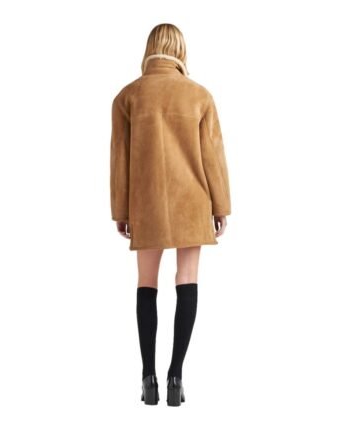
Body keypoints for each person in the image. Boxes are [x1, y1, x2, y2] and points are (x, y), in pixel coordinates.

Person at [109, 23, 232, 406]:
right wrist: (221, 205)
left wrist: (120, 210)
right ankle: (176, 376)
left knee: (147, 283)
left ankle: (148, 378)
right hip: (192, 202)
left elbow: (120, 160)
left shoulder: (128, 96)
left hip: (145, 203)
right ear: (180, 50)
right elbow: (213, 157)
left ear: (150, 49)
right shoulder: (199, 96)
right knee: (187, 279)